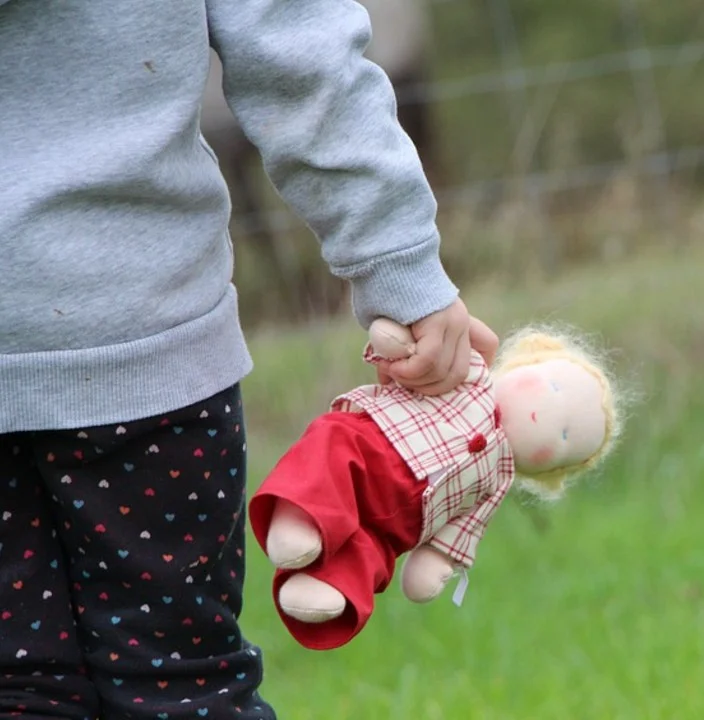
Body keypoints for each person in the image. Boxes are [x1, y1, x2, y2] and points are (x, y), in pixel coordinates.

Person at [0, 0, 498, 716]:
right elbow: (299, 50)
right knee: (180, 686)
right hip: (147, 351)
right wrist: (398, 264)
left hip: (143, 360)